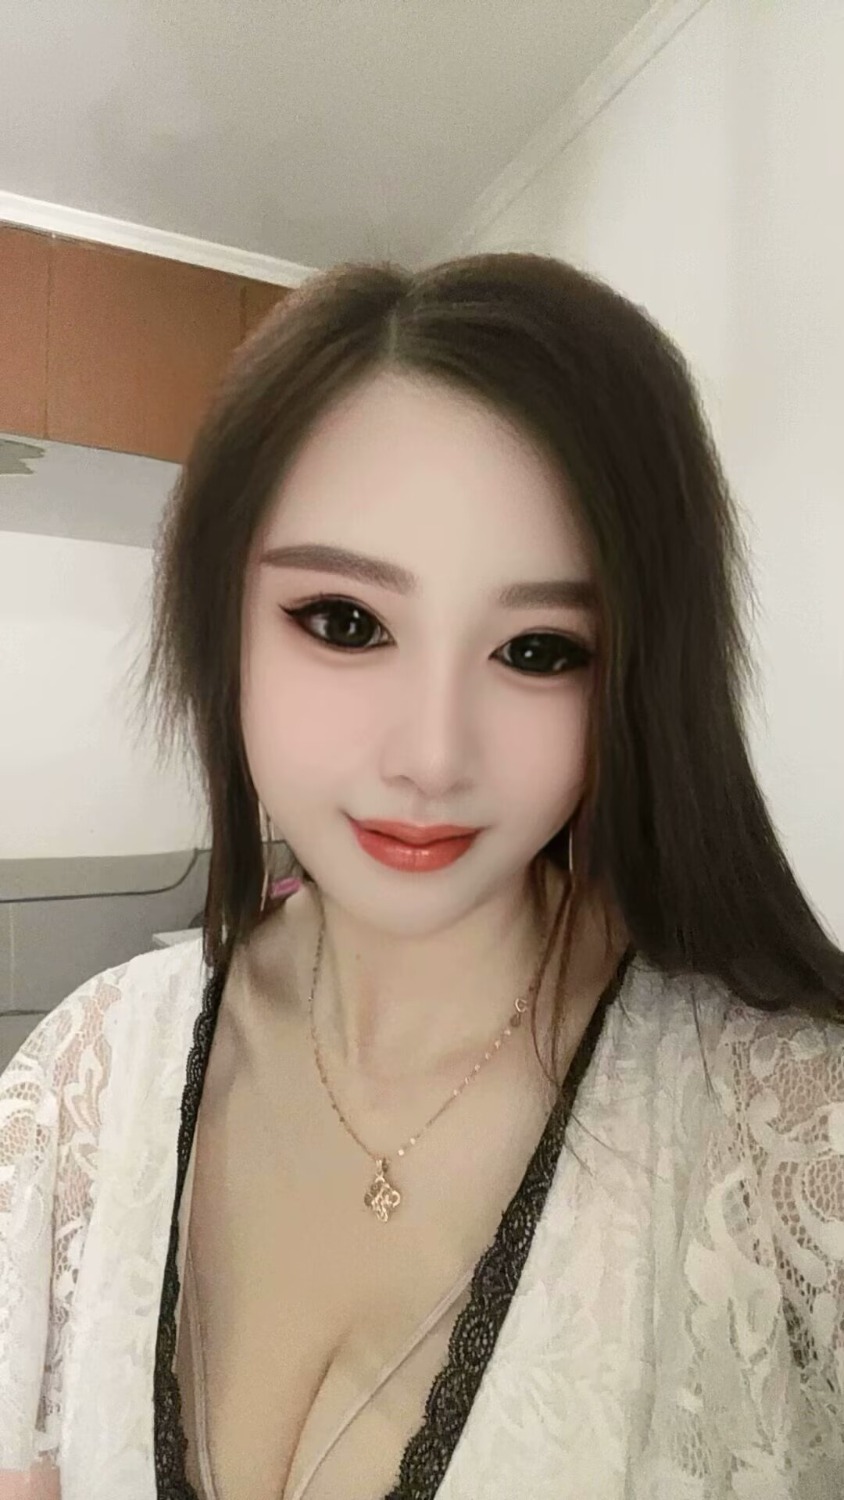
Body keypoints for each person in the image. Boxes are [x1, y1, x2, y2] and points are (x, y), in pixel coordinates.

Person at [1, 252, 843, 1500]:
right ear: (220, 620)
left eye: (539, 648)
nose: (432, 757)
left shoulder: (789, 1142)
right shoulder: (78, 1091)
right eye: (345, 621)